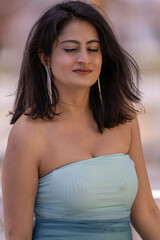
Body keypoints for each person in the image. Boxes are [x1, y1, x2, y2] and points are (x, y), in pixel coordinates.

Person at [2, 1, 160, 239]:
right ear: (45, 57)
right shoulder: (28, 132)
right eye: (70, 49)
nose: (84, 58)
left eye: (93, 48)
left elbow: (146, 213)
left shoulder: (123, 118)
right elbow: (17, 234)